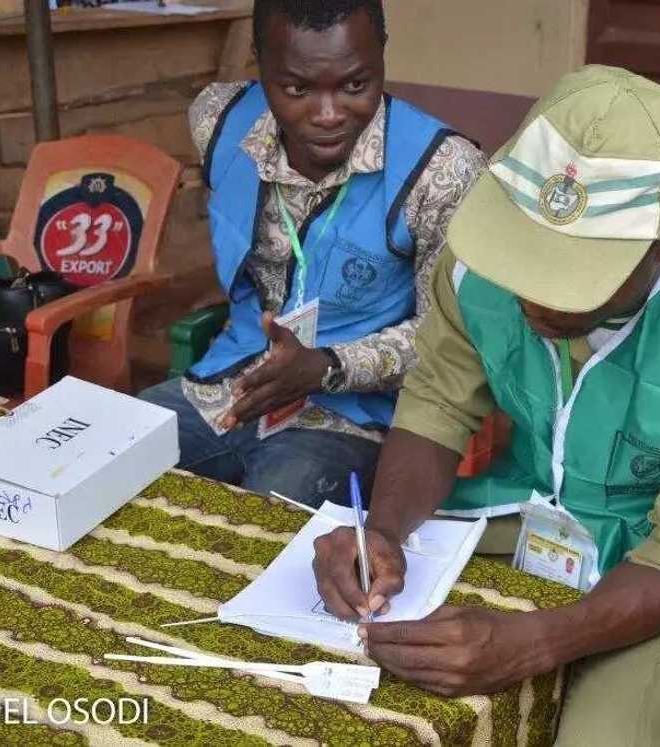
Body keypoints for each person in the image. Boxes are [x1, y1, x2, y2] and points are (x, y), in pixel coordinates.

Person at [312, 66, 660, 745]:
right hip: (520, 516)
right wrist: (381, 532)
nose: (534, 297)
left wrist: (532, 643)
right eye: (529, 258)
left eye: (573, 279)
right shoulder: (478, 264)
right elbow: (437, 405)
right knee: (336, 673)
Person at [140, 0, 484, 506]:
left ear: (381, 56)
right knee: (101, 455)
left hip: (349, 415)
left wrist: (327, 365)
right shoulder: (217, 122)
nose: (327, 115)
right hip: (225, 384)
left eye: (354, 85)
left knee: (269, 534)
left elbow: (450, 342)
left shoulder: (443, 172)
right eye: (297, 88)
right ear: (260, 61)